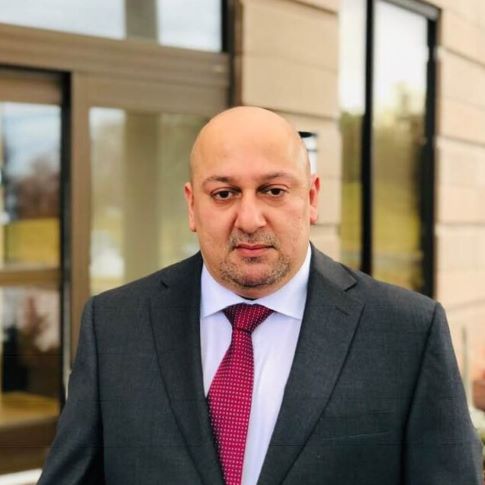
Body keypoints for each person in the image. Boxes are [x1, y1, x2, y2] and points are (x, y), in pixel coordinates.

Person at [39, 106, 482, 484]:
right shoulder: (114, 325)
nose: (249, 219)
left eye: (273, 191)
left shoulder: (406, 332)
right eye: (224, 193)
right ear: (192, 206)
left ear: (311, 197)